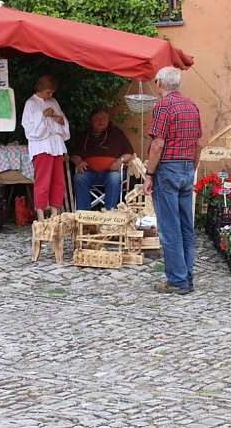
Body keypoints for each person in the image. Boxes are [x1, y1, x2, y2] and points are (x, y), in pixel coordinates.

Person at [143, 66, 202, 295]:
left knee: (170, 227)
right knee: (187, 226)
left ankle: (177, 281)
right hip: (187, 167)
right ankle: (186, 276)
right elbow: (198, 143)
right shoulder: (192, 106)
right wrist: (192, 168)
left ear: (159, 83)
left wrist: (149, 174)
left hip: (168, 169)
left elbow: (158, 144)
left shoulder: (163, 105)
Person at [22, 75, 70, 222]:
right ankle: (41, 215)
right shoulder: (30, 104)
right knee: (43, 181)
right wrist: (42, 115)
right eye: (48, 92)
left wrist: (61, 121)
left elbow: (62, 121)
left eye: (52, 92)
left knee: (58, 180)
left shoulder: (53, 101)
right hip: (42, 147)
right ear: (40, 89)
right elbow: (29, 129)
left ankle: (55, 212)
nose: (50, 95)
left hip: (56, 146)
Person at [71, 109, 135, 211]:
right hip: (89, 172)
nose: (101, 121)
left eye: (104, 118)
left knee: (115, 178)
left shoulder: (117, 134)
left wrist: (120, 160)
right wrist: (78, 162)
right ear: (91, 121)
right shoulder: (84, 135)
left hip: (110, 172)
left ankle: (110, 212)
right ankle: (83, 214)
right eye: (97, 119)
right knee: (79, 178)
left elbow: (129, 153)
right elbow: (74, 155)